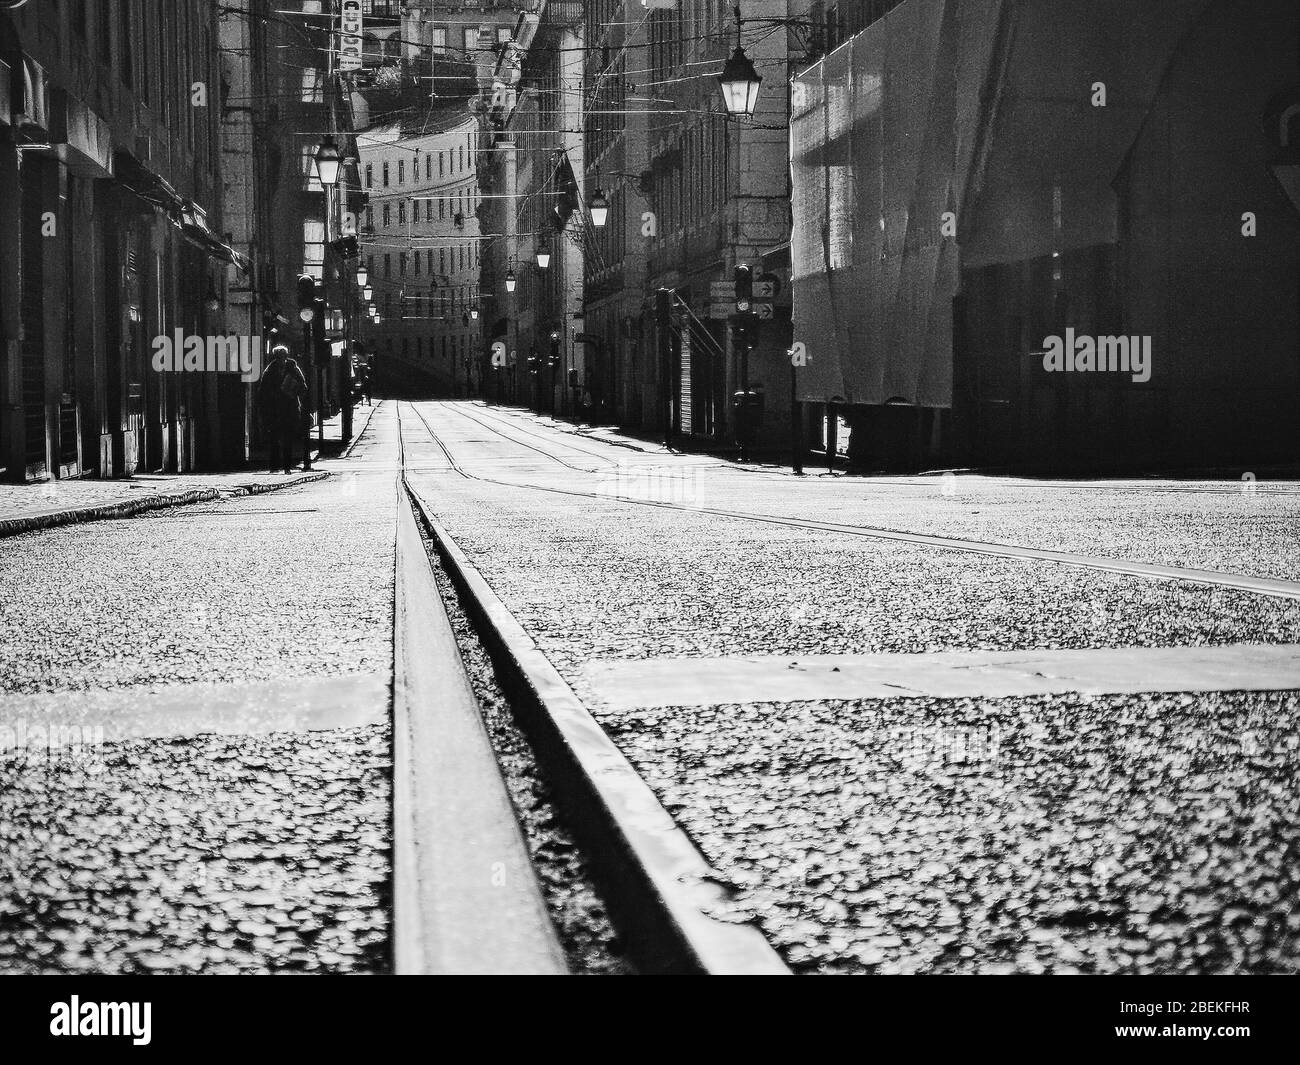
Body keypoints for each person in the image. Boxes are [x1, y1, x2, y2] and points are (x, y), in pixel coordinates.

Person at [258, 343, 309, 473]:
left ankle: (286, 467)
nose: (281, 358)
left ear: (286, 356)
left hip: (289, 408)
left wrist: (294, 390)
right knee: (274, 438)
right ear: (275, 357)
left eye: (283, 356)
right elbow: (263, 391)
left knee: (288, 438)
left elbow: (303, 386)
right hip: (274, 409)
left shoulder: (293, 368)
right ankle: (274, 467)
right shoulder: (269, 371)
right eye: (279, 356)